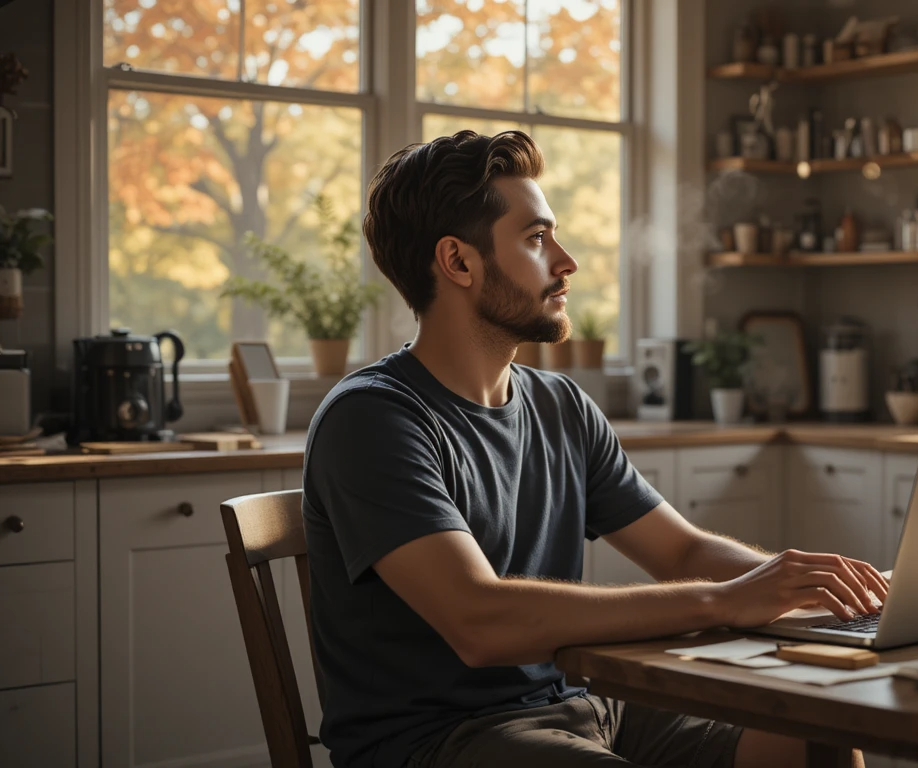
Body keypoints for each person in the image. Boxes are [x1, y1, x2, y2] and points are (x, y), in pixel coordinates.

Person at [302, 130, 887, 768]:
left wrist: (818, 592)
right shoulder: (373, 419)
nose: (566, 260)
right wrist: (724, 601)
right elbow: (479, 620)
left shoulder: (561, 407)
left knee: (817, 741)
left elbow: (682, 549)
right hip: (442, 741)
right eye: (535, 239)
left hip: (588, 708)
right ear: (459, 262)